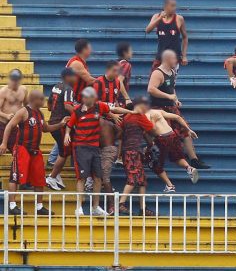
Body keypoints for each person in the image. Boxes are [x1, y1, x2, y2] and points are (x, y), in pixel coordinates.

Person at [64, 87, 136, 216]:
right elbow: (69, 125)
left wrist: (131, 112)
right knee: (82, 178)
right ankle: (79, 207)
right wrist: (67, 135)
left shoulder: (99, 106)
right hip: (81, 147)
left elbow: (114, 109)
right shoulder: (78, 111)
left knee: (98, 177)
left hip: (94, 147)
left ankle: (95, 207)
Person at [0, 90, 69, 215]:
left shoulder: (40, 114)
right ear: (34, 100)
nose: (43, 102)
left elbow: (46, 129)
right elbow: (9, 126)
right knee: (15, 176)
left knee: (39, 178)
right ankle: (12, 205)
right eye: (41, 99)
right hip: (22, 149)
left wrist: (61, 124)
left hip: (35, 151)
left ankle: (39, 207)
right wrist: (4, 143)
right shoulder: (23, 112)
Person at [148, 49, 209, 169]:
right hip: (159, 108)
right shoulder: (158, 73)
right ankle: (152, 157)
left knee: (185, 130)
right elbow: (151, 89)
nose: (176, 61)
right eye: (175, 59)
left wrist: (175, 100)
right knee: (164, 135)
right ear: (168, 59)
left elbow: (172, 88)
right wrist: (168, 96)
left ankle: (193, 159)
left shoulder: (171, 72)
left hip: (171, 107)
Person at [145, 108, 200, 193]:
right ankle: (189, 168)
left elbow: (153, 130)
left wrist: (149, 142)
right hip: (172, 134)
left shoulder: (145, 116)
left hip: (161, 138)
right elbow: (177, 117)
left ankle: (170, 185)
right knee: (177, 158)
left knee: (153, 163)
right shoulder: (157, 111)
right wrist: (189, 130)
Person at [118, 96, 156, 216]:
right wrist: (154, 121)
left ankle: (142, 208)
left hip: (127, 150)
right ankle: (121, 204)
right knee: (133, 179)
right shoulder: (139, 116)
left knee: (141, 181)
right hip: (133, 151)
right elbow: (152, 129)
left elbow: (121, 133)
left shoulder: (127, 117)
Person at [45, 68, 77, 191]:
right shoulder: (68, 88)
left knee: (62, 150)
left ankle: (56, 174)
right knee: (64, 152)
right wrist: (80, 114)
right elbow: (68, 106)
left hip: (53, 122)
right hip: (61, 124)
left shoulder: (55, 87)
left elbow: (48, 106)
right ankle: (52, 177)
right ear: (68, 77)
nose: (76, 79)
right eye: (74, 76)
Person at [146, 0, 188, 71]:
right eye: (172, 6)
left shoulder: (179, 19)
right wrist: (160, 18)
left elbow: (185, 37)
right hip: (160, 58)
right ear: (165, 7)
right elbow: (147, 30)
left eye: (175, 6)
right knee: (155, 80)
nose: (174, 8)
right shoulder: (156, 16)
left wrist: (184, 56)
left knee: (170, 82)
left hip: (174, 59)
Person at [114, 42, 134, 166]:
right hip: (120, 101)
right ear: (125, 53)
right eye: (130, 50)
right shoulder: (126, 64)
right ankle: (119, 156)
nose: (132, 53)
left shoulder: (116, 64)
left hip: (113, 100)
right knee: (123, 130)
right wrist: (127, 98)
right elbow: (119, 81)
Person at [0, 69, 28, 153]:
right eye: (13, 80)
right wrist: (6, 115)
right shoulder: (3, 91)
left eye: (16, 80)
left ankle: (15, 166)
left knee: (17, 151)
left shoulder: (23, 90)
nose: (14, 83)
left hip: (14, 126)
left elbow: (27, 107)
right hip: (2, 125)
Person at [66, 39, 96, 103]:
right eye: (89, 48)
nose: (91, 50)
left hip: (76, 99)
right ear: (84, 50)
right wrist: (105, 81)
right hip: (73, 100)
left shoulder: (80, 62)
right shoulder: (77, 63)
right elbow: (90, 80)